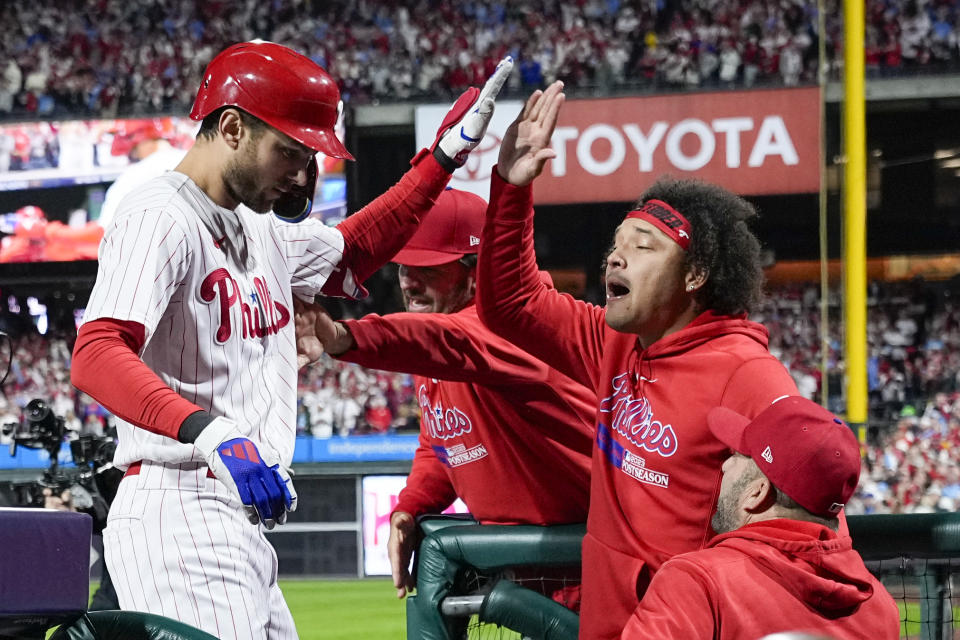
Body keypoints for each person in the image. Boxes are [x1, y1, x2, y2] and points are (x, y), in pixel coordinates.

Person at [70, 40, 512, 639]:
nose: (303, 174)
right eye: (291, 152)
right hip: (180, 505)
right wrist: (210, 430)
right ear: (231, 127)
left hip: (238, 520)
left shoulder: (258, 225)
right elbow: (96, 353)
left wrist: (441, 160)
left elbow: (353, 248)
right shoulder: (158, 215)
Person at [474, 81, 801, 639]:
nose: (617, 255)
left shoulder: (748, 372)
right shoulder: (616, 340)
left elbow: (804, 505)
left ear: (695, 275)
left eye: (644, 245)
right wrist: (509, 187)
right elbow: (510, 303)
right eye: (617, 244)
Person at [295, 186, 595, 601]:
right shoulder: (437, 338)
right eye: (403, 267)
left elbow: (450, 341)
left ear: (478, 272)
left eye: (429, 270)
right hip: (543, 570)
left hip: (598, 568)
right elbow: (444, 441)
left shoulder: (520, 329)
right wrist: (412, 506)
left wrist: (344, 335)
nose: (409, 282)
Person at [619, 396, 900, 639]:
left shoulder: (696, 582)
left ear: (757, 492)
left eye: (740, 455)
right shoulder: (881, 608)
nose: (726, 464)